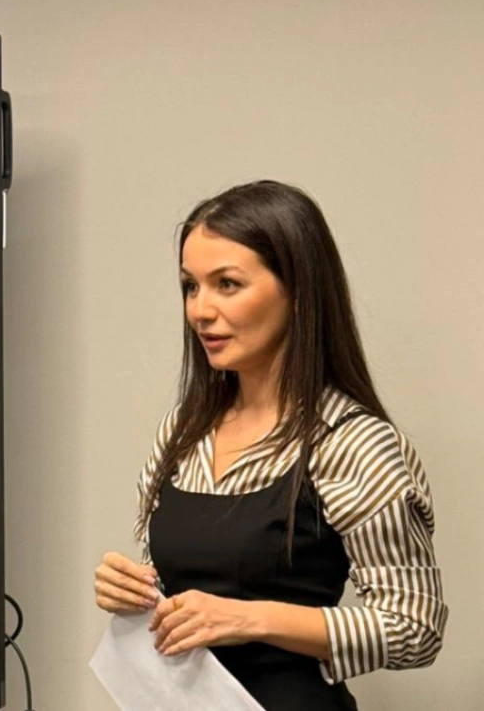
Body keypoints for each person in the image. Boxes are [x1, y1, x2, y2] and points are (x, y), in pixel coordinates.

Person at [93, 180, 447, 711]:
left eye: (227, 284)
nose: (200, 310)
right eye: (190, 286)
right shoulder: (181, 433)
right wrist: (130, 592)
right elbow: (173, 600)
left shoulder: (352, 442)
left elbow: (415, 628)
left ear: (298, 291)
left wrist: (250, 618)